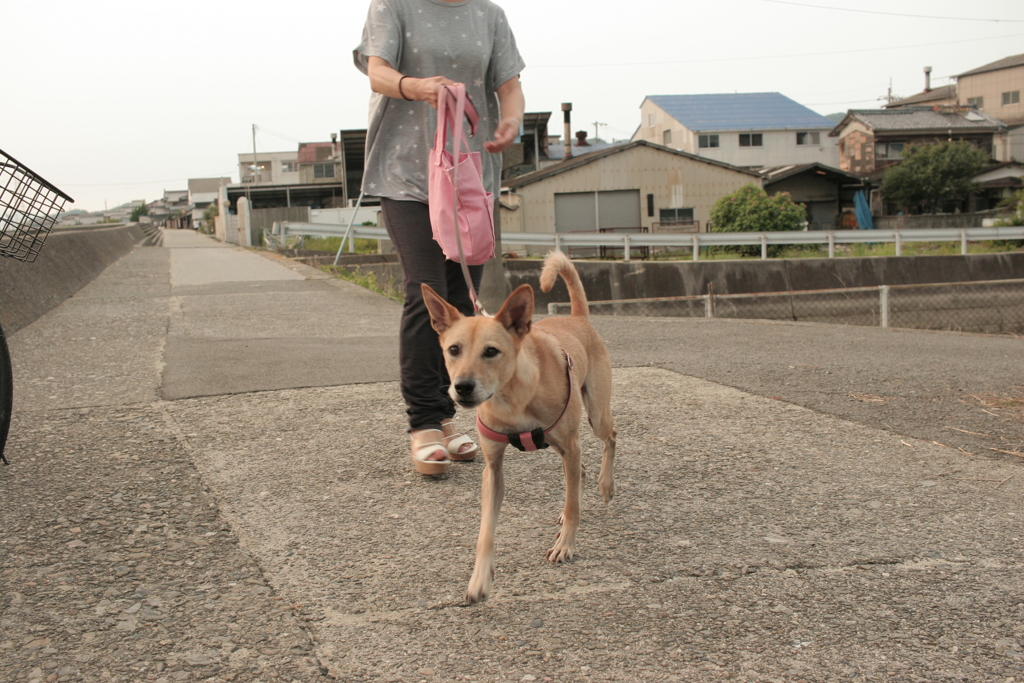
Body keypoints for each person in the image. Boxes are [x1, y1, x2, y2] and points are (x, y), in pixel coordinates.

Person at [354, 0, 525, 476]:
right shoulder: (393, 5)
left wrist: (511, 121)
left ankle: (447, 417)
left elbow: (509, 87)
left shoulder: (489, 15)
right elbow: (377, 73)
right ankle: (425, 423)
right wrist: (417, 87)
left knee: (460, 303)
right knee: (425, 291)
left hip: (470, 173)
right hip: (405, 173)